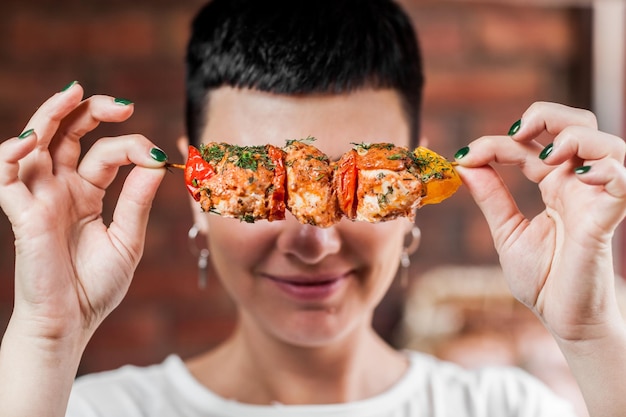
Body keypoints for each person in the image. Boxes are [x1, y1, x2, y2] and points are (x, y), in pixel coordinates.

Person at [0, 0, 625, 416]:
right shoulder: (81, 408)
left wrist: (593, 331)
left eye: (357, 185)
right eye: (269, 188)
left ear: (412, 186)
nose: (313, 241)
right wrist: (46, 335)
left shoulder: (507, 409)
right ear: (197, 186)